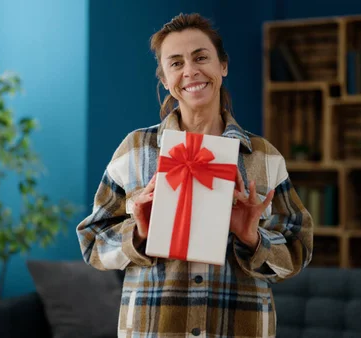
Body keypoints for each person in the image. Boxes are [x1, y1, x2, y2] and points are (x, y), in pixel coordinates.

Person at [76, 13, 314, 338]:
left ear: (223, 66)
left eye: (201, 57)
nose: (190, 70)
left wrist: (253, 238)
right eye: (176, 63)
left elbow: (297, 253)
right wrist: (139, 234)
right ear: (164, 80)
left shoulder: (264, 156)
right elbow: (92, 245)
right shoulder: (135, 150)